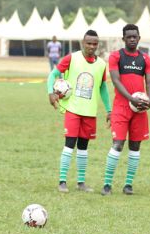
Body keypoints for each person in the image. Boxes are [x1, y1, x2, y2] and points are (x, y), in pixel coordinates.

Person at [47, 30, 111, 193]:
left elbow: (102, 87)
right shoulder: (72, 58)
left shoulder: (102, 64)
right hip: (73, 109)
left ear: (98, 45)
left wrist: (109, 109)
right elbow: (53, 74)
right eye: (89, 43)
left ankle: (81, 183)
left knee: (83, 148)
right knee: (69, 145)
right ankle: (62, 181)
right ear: (83, 43)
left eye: (95, 44)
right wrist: (50, 92)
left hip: (90, 112)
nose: (91, 46)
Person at [102, 24, 150, 195]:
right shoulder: (116, 56)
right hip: (121, 107)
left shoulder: (145, 59)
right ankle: (107, 185)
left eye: (135, 36)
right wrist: (131, 98)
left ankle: (128, 185)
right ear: (123, 38)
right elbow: (116, 80)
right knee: (117, 144)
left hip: (139, 109)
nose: (132, 39)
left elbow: (149, 82)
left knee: (135, 146)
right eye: (129, 36)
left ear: (139, 38)